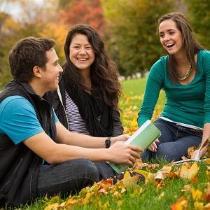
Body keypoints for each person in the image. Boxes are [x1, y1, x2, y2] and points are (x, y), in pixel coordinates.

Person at [0, 37, 141, 207]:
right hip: (13, 184)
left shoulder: (39, 98)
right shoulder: (15, 104)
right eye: (55, 64)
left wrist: (111, 142)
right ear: (37, 71)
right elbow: (52, 153)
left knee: (89, 163)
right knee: (84, 169)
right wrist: (109, 154)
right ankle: (110, 169)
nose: (60, 69)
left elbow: (66, 137)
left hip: (33, 170)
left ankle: (111, 169)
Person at [137, 12, 210, 162]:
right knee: (137, 149)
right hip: (167, 124)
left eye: (171, 32)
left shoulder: (206, 60)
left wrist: (203, 148)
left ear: (184, 33)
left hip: (195, 132)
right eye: (162, 35)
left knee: (164, 154)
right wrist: (147, 136)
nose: (166, 39)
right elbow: (144, 113)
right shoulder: (159, 67)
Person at [46, 24, 123, 137]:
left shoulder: (106, 78)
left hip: (106, 146)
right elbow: (55, 131)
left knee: (147, 149)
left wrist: (119, 143)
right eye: (77, 47)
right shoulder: (57, 81)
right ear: (68, 50)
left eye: (88, 47)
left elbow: (115, 121)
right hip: (74, 150)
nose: (82, 52)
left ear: (96, 50)